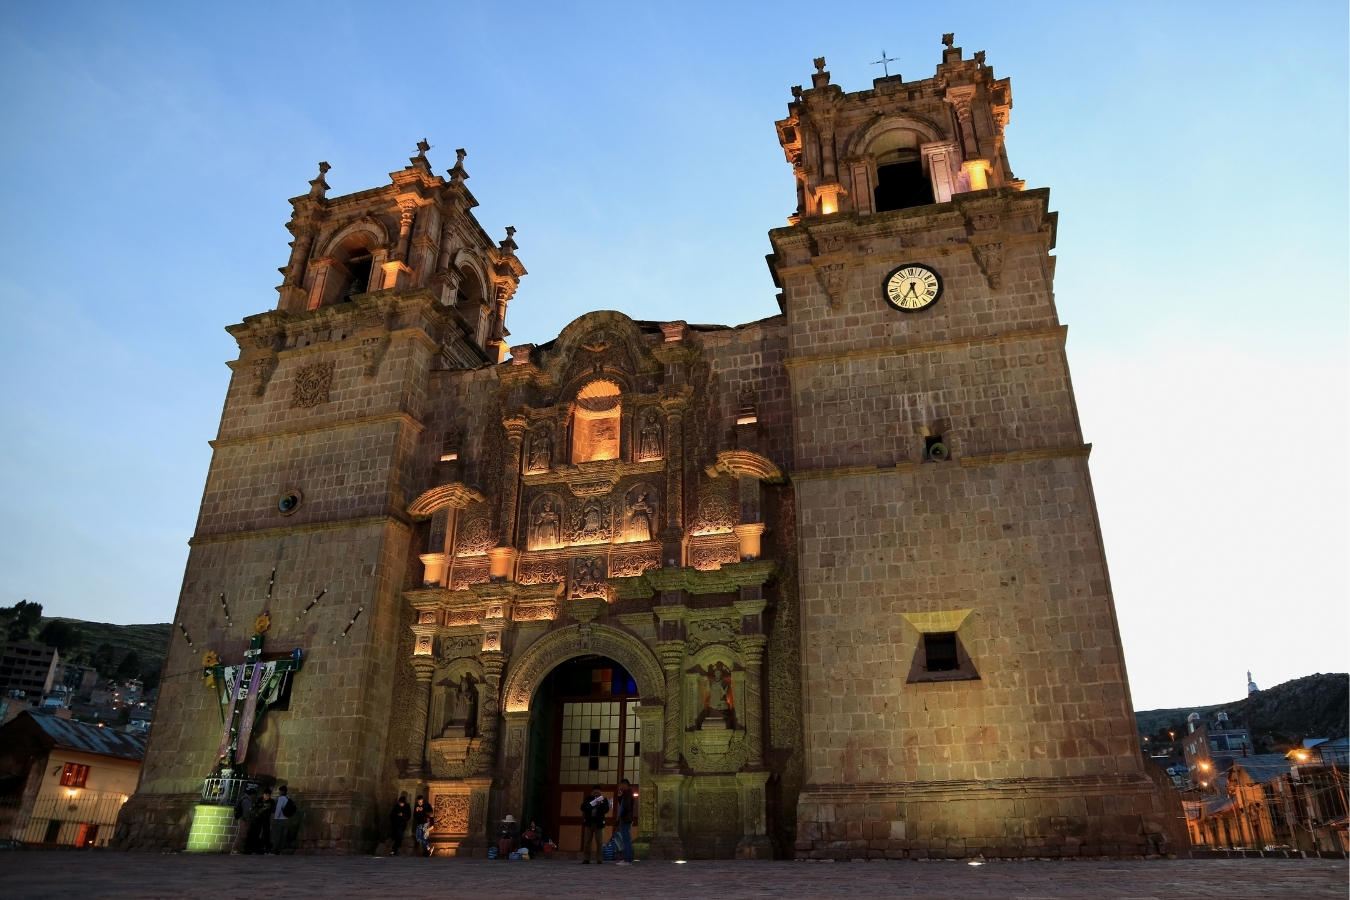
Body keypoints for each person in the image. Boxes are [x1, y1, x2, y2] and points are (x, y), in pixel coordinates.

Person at [578, 785, 610, 864]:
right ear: (592, 792)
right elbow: (582, 808)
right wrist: (591, 804)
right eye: (594, 793)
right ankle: (586, 858)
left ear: (600, 793)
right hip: (589, 822)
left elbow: (606, 810)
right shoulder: (588, 799)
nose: (596, 794)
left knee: (599, 841)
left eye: (597, 793)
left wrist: (600, 805)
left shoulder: (604, 800)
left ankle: (599, 858)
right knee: (587, 841)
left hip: (599, 823)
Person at [612, 779, 635, 865]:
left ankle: (627, 859)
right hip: (626, 819)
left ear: (626, 785)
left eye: (621, 785)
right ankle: (628, 859)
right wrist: (620, 797)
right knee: (626, 839)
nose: (620, 787)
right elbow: (623, 805)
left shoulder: (628, 794)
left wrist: (621, 817)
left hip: (626, 819)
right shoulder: (626, 794)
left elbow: (625, 807)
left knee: (626, 839)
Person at [249, 788, 276, 854]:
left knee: (266, 834)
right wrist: (258, 812)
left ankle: (267, 849)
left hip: (266, 819)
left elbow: (273, 809)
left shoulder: (271, 802)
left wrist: (267, 810)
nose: (266, 797)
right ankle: (254, 849)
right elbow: (254, 809)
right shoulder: (258, 800)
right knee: (256, 834)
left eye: (268, 795)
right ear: (263, 794)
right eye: (266, 795)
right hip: (258, 819)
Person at [271, 785, 297, 854]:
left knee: (277, 835)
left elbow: (278, 809)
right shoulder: (288, 798)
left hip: (280, 818)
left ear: (282, 791)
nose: (279, 792)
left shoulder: (281, 798)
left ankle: (275, 849)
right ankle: (280, 849)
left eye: (280, 791)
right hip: (286, 819)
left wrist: (275, 818)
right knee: (283, 835)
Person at [231, 787, 256, 855]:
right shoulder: (247, 801)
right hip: (243, 819)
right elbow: (246, 812)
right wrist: (247, 820)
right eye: (254, 795)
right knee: (240, 834)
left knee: (240, 834)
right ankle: (234, 849)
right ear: (252, 794)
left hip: (241, 818)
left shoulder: (244, 799)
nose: (254, 796)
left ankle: (234, 849)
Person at [388, 792, 412, 856]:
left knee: (399, 837)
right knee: (392, 835)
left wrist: (402, 815)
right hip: (394, 824)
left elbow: (408, 816)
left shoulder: (407, 807)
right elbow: (391, 814)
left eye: (402, 803)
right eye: (400, 803)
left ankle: (394, 851)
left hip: (401, 825)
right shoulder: (396, 806)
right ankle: (397, 845)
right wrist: (395, 817)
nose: (401, 804)